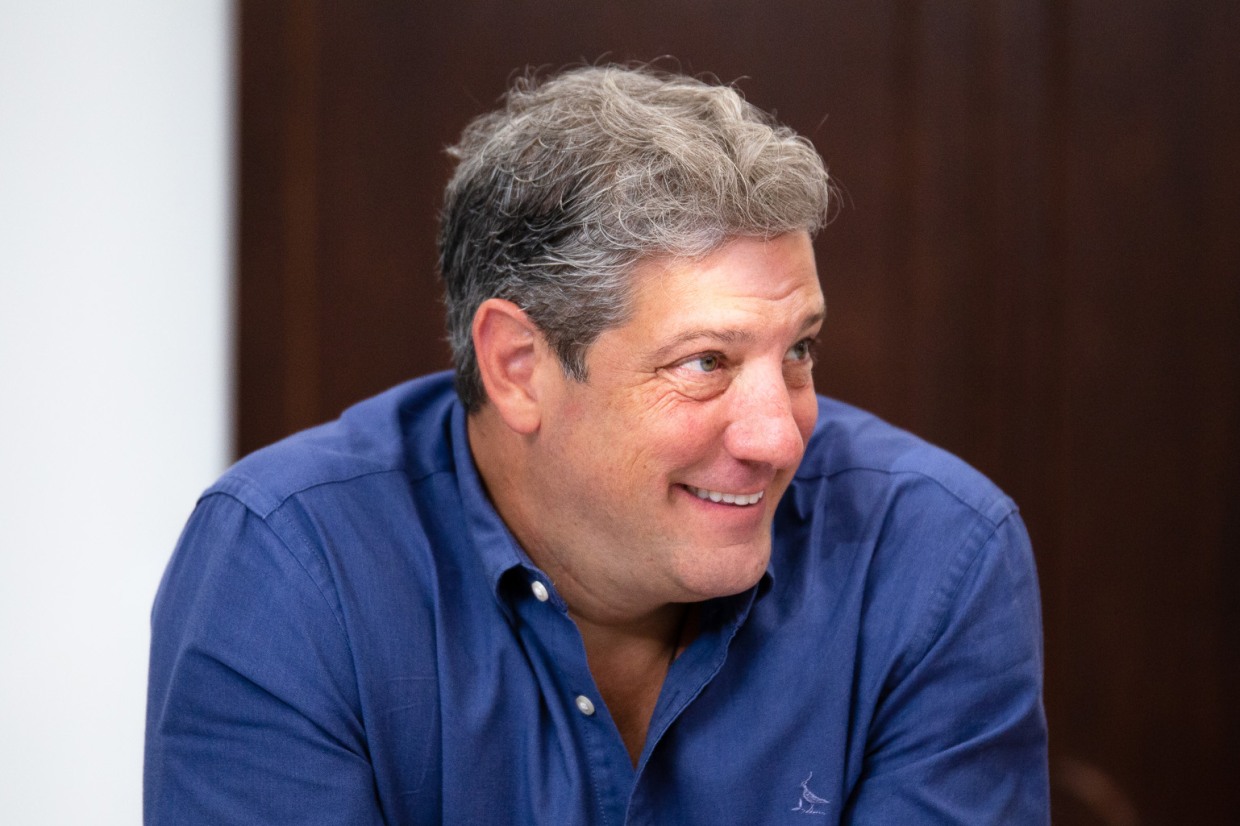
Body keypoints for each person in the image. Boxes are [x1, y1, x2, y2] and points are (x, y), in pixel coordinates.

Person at [145, 64, 1048, 824]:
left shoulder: (935, 552)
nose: (780, 436)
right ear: (518, 366)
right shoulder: (291, 565)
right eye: (705, 362)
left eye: (799, 350)